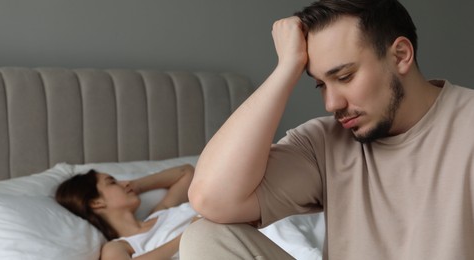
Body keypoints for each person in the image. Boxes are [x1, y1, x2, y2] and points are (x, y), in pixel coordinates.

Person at [180, 0, 474, 259]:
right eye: (320, 84)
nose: (331, 103)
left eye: (344, 76)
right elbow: (211, 198)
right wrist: (286, 69)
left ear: (400, 55)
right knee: (205, 237)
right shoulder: (323, 143)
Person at [56, 164, 199, 260]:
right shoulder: (117, 247)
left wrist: (135, 186)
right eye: (112, 182)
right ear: (96, 203)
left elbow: (186, 172)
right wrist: (189, 235)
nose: (124, 183)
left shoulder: (161, 212)